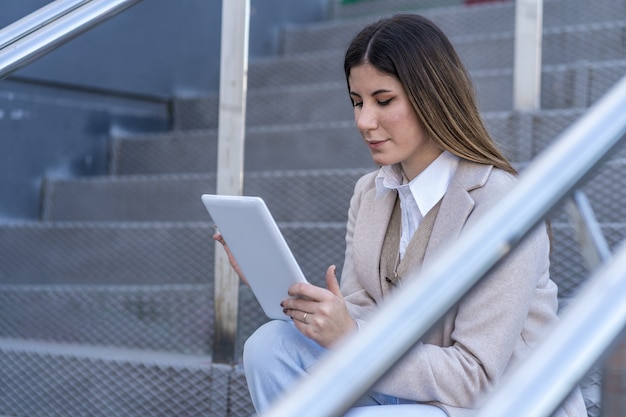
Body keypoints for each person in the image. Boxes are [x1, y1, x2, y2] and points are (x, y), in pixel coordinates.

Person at [215, 13, 588, 417]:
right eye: (357, 102)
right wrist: (290, 294)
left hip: (499, 401)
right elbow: (362, 312)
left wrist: (351, 338)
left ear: (432, 95)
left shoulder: (504, 204)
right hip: (408, 384)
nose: (364, 121)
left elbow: (474, 377)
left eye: (383, 100)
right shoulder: (370, 192)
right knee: (269, 347)